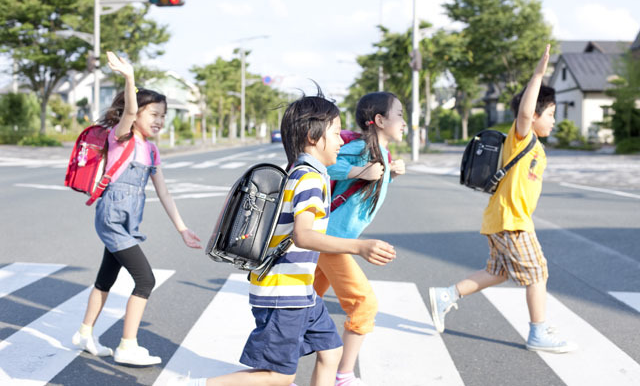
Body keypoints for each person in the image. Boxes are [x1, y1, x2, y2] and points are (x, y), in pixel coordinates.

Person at [173, 90, 396, 386]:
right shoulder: (309, 178)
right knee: (279, 375)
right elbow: (303, 235)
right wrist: (359, 246)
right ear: (313, 137)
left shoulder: (306, 171)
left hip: (300, 291)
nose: (342, 140)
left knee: (331, 351)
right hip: (283, 295)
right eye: (335, 132)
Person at [428, 45, 577, 353]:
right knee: (538, 272)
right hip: (512, 221)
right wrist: (539, 73)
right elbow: (525, 111)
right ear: (533, 115)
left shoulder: (537, 146)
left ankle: (447, 295)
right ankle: (538, 332)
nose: (553, 120)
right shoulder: (522, 135)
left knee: (498, 272)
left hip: (504, 219)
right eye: (549, 114)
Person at [71, 51, 202, 365]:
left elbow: (165, 193)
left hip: (127, 221)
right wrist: (129, 77)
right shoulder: (123, 137)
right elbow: (129, 108)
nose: (159, 121)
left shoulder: (152, 152)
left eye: (162, 116)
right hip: (113, 218)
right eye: (153, 114)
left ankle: (84, 333)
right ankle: (128, 346)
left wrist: (182, 229)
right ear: (137, 115)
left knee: (107, 277)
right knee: (145, 280)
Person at [313, 91, 406, 386]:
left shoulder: (381, 154)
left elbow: (370, 181)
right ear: (379, 120)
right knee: (363, 305)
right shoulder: (360, 149)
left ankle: (280, 369)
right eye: (400, 115)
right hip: (332, 241)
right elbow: (325, 164)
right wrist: (360, 170)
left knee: (303, 304)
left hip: (331, 239)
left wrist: (390, 171)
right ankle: (343, 375)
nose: (404, 122)